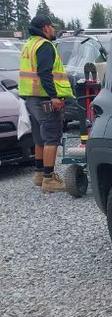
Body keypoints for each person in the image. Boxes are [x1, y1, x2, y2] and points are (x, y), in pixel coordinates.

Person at [17, 16, 73, 193]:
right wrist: (54, 96)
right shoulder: (45, 45)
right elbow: (44, 73)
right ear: (45, 28)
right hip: (45, 99)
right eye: (52, 27)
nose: (54, 30)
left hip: (30, 98)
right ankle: (49, 179)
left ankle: (39, 173)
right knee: (52, 137)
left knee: (39, 138)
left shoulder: (29, 44)